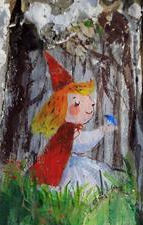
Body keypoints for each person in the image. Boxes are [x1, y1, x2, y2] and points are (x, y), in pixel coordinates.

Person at [29, 52, 116, 190]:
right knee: (81, 183)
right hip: (67, 168)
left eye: (86, 99)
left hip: (68, 163)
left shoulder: (68, 129)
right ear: (61, 109)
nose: (90, 106)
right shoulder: (67, 130)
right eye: (76, 104)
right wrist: (101, 131)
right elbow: (82, 143)